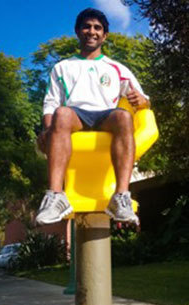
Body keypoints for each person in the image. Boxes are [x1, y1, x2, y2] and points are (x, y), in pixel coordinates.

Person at [35, 8, 150, 226]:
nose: (92, 31)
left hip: (105, 116)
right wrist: (47, 131)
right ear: (78, 32)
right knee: (61, 113)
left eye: (97, 28)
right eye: (87, 26)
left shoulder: (117, 68)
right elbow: (50, 103)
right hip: (75, 117)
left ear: (104, 35)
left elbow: (144, 98)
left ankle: (121, 197)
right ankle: (56, 196)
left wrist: (144, 102)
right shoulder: (62, 67)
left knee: (124, 117)